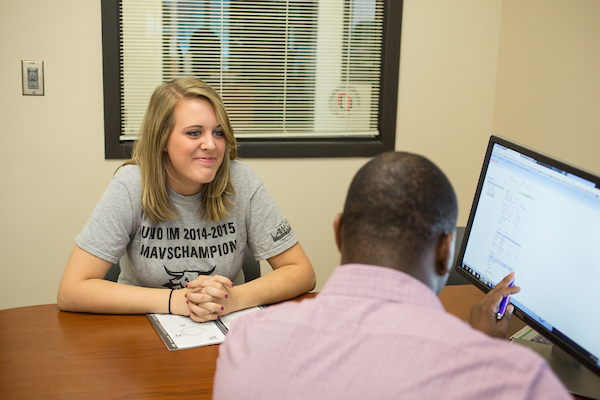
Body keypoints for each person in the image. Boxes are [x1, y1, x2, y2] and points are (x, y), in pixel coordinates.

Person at [213, 152, 570, 399]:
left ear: (339, 232)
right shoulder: (520, 382)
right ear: (447, 251)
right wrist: (488, 354)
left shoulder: (246, 343)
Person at [57, 77, 316, 321]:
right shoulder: (131, 185)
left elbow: (301, 271)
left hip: (224, 328)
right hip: (143, 332)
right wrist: (177, 301)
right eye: (194, 133)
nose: (210, 145)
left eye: (218, 133)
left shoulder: (241, 180)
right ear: (162, 140)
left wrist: (234, 298)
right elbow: (72, 290)